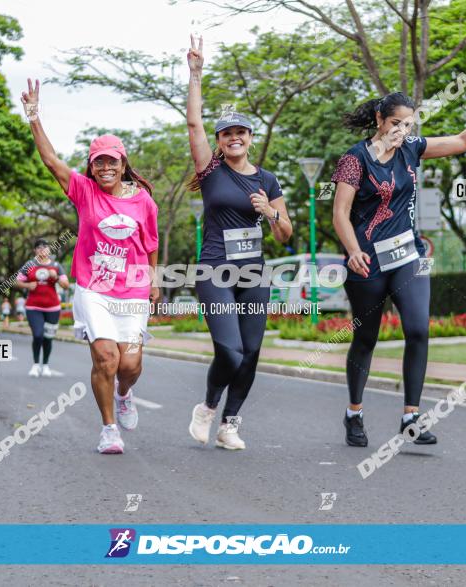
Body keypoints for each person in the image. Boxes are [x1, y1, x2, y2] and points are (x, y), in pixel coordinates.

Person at [331, 88, 466, 447]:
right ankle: (354, 413)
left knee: (419, 329)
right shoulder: (354, 159)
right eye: (395, 123)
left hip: (408, 255)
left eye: (407, 124)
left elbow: (462, 141)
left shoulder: (411, 148)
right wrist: (353, 250)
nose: (401, 131)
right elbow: (340, 213)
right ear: (379, 120)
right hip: (367, 261)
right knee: (366, 338)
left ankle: (411, 417)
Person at [22, 78, 160, 455]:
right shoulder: (84, 191)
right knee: (106, 357)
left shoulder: (143, 200)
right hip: (94, 290)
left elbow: (150, 243)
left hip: (132, 290)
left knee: (130, 364)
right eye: (98, 161)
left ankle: (125, 394)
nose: (105, 167)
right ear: (92, 166)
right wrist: (34, 115)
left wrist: (154, 279)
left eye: (111, 161)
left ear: (123, 163)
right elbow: (50, 160)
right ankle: (109, 429)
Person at [185, 35, 293, 450]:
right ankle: (208, 408)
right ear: (220, 139)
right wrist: (196, 74)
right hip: (215, 269)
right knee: (229, 351)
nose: (234, 138)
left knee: (251, 353)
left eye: (241, 133)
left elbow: (285, 235)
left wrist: (270, 213)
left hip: (254, 273)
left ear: (250, 137)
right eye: (227, 133)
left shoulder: (267, 180)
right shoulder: (211, 171)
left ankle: (230, 424)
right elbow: (193, 123)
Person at [14, 239, 69, 378]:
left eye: (45, 247)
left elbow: (66, 285)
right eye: (38, 247)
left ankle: (45, 365)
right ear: (35, 251)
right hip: (33, 306)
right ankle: (35, 365)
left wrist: (55, 277)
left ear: (49, 250)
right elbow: (17, 281)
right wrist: (27, 286)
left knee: (48, 338)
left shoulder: (56, 265)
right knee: (38, 335)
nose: (42, 250)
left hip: (53, 307)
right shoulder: (29, 265)